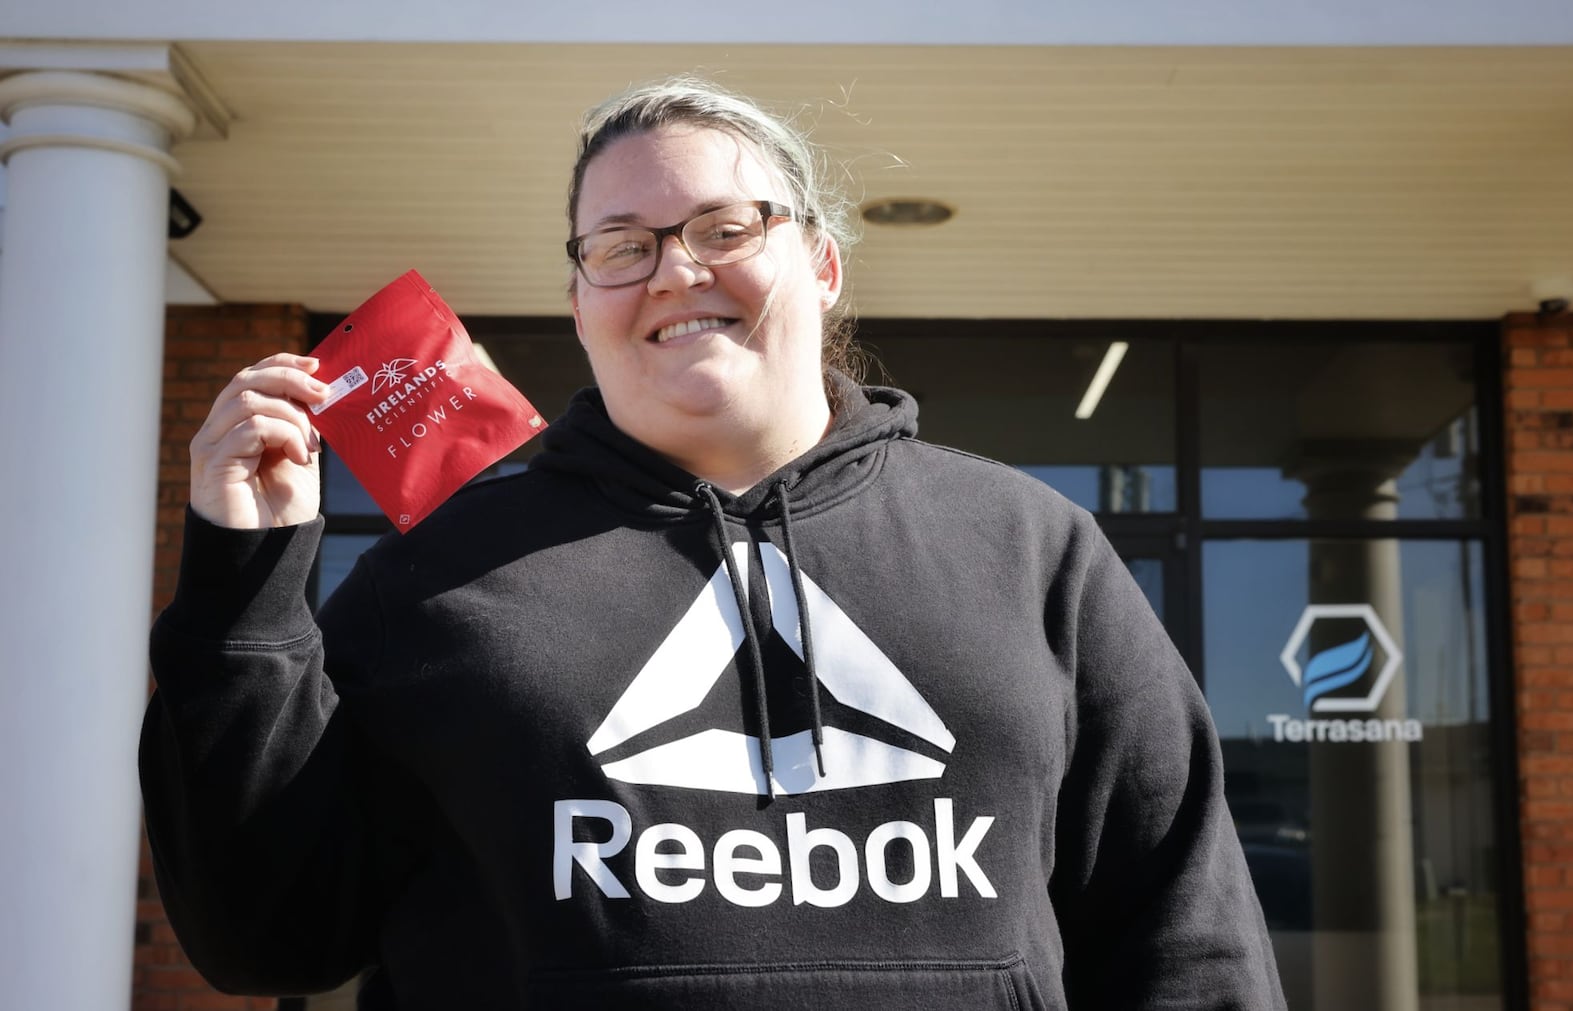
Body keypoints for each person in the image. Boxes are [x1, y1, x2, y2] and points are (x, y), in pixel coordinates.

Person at [141, 78, 1286, 1010]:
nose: (676, 270)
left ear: (824, 265)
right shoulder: (435, 580)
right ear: (582, 298)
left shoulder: (1033, 551)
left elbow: (1183, 939)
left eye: (724, 229)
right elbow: (268, 938)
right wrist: (244, 587)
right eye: (621, 245)